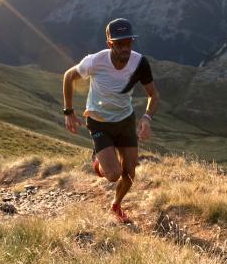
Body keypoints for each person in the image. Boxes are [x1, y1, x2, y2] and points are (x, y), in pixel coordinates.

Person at [62, 18, 159, 224]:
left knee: (130, 173)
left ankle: (116, 205)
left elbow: (154, 96)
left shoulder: (140, 62)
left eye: (128, 42)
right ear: (109, 44)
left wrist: (146, 118)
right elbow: (68, 76)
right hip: (99, 122)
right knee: (114, 175)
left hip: (125, 120)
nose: (125, 47)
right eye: (119, 43)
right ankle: (98, 159)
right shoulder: (95, 61)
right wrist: (69, 111)